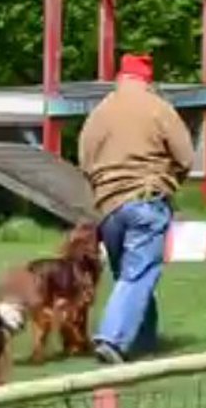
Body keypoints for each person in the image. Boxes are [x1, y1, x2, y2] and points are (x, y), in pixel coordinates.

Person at [79, 53, 194, 365]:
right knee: (138, 274)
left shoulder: (100, 112)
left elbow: (85, 159)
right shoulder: (158, 107)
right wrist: (171, 183)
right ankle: (112, 339)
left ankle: (145, 340)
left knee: (129, 276)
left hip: (109, 209)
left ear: (121, 78)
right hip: (145, 200)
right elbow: (185, 157)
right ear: (147, 80)